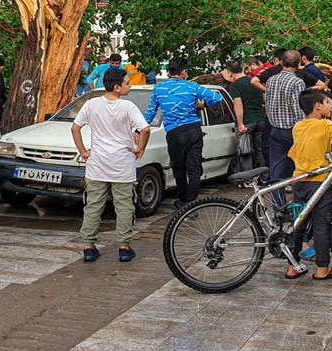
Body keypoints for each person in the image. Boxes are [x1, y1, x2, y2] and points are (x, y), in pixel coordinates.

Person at [73, 68, 151, 262]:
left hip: (97, 164)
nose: (129, 85)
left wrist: (83, 151)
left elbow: (75, 128)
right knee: (124, 207)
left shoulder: (91, 104)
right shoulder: (128, 107)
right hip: (122, 165)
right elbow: (145, 129)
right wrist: (140, 148)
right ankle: (124, 247)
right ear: (117, 88)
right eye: (127, 83)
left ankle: (89, 247)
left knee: (93, 206)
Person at [284, 88, 332, 280]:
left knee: (298, 226)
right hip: (320, 183)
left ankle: (292, 267)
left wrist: (330, 146)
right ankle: (322, 269)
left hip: (300, 182)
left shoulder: (298, 127)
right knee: (322, 225)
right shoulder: (325, 125)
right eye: (326, 103)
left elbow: (295, 152)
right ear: (318, 106)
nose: (329, 107)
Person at [143, 57, 222, 207]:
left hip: (174, 133)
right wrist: (204, 104)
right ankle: (192, 205)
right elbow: (217, 98)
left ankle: (183, 200)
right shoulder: (192, 87)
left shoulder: (159, 88)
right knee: (194, 169)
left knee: (179, 169)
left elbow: (150, 113)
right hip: (193, 130)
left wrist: (138, 129)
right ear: (184, 72)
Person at [263, 50, 309, 204]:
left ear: (281, 63)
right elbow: (298, 110)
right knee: (300, 170)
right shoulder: (297, 82)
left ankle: (278, 207)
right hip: (292, 131)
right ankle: (299, 207)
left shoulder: (271, 80)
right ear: (299, 64)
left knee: (276, 172)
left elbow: (268, 104)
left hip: (274, 129)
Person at [224, 59, 265, 175]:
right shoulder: (254, 81)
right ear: (242, 68)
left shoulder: (235, 85)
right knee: (261, 150)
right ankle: (265, 177)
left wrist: (240, 123)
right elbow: (264, 98)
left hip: (247, 122)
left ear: (229, 72)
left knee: (245, 151)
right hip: (260, 119)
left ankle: (248, 179)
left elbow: (238, 104)